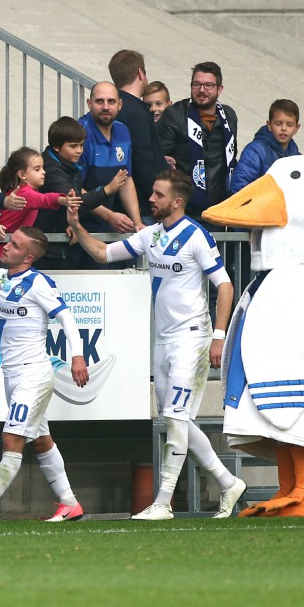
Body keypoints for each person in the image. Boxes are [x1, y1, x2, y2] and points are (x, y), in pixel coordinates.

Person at [66, 169, 247, 519]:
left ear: (176, 202)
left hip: (191, 338)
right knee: (175, 418)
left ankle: (162, 503)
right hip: (163, 340)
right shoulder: (151, 235)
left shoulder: (196, 236)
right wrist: (76, 225)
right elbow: (103, 254)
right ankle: (228, 483)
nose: (150, 199)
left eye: (158, 194)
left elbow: (225, 287)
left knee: (176, 418)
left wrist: (219, 337)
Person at [0, 210, 89, 523]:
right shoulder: (0, 277)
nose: (6, 247)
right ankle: (70, 503)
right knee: (40, 440)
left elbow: (65, 317)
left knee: (12, 438)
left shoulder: (38, 283)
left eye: (13, 244)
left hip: (33, 374)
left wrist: (77, 355)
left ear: (27, 257)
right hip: (12, 375)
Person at [36, 117, 128, 268]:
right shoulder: (50, 170)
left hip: (62, 243)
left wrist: (71, 223)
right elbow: (75, 201)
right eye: (73, 146)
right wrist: (107, 189)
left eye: (81, 145)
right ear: (57, 147)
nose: (79, 151)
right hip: (47, 249)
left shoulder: (71, 164)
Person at [157, 62, 239, 217]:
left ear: (219, 89)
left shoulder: (229, 116)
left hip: (218, 211)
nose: (202, 90)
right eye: (197, 84)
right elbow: (158, 159)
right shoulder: (174, 115)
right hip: (181, 211)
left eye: (208, 85)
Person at [80, 82, 142, 237]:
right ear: (89, 103)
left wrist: (137, 222)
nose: (106, 107)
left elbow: (125, 180)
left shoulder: (123, 131)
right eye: (100, 101)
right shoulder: (80, 133)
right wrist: (109, 215)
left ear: (120, 105)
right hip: (77, 225)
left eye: (111, 101)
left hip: (107, 225)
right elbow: (73, 188)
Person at [109, 50, 163, 211]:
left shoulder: (112, 108)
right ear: (141, 73)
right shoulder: (136, 112)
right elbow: (141, 161)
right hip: (140, 205)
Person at [230, 99, 301, 194]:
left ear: (296, 128)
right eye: (278, 123)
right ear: (269, 125)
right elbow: (239, 186)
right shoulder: (256, 150)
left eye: (289, 124)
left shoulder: (297, 158)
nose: (284, 128)